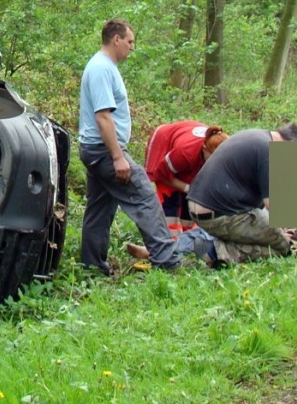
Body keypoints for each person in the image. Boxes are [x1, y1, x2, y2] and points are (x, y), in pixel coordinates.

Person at [78, 19, 214, 274]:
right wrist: (118, 157)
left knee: (100, 208)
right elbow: (103, 117)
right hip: (105, 151)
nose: (132, 47)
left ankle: (92, 267)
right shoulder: (100, 68)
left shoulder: (105, 66)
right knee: (146, 199)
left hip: (97, 151)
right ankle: (167, 262)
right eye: (129, 42)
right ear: (116, 39)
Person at [183, 123, 297, 265]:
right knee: (285, 246)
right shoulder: (268, 151)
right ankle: (216, 252)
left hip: (203, 208)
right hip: (220, 215)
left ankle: (220, 244)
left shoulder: (257, 137)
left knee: (274, 231)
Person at [144, 121, 228, 236]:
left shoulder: (226, 155)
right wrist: (189, 188)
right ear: (204, 148)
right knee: (170, 201)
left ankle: (187, 239)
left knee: (190, 205)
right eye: (214, 156)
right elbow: (162, 175)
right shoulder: (185, 153)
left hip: (189, 156)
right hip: (164, 143)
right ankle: (168, 242)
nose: (217, 161)